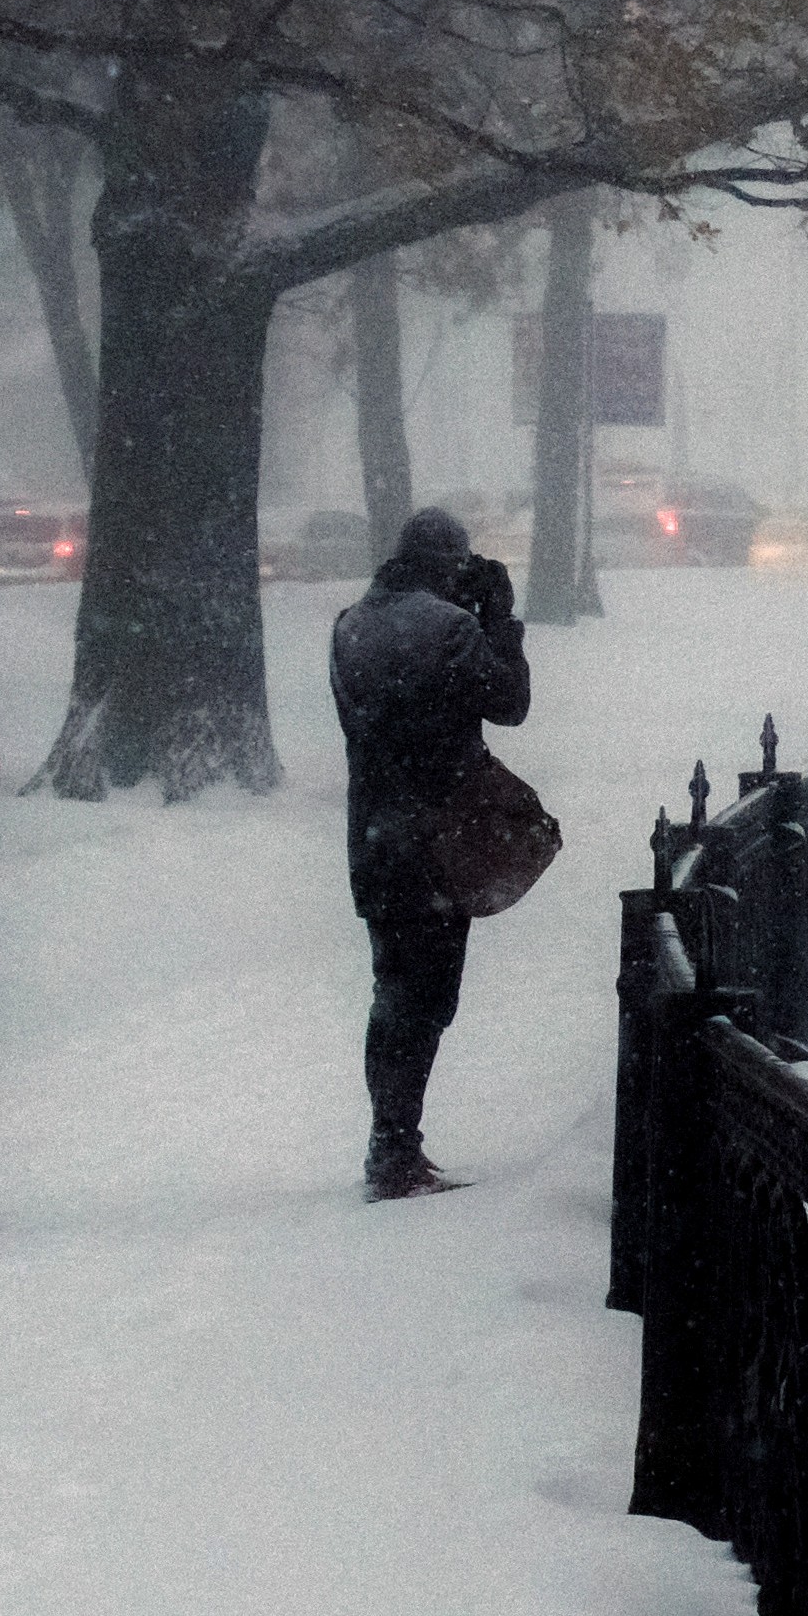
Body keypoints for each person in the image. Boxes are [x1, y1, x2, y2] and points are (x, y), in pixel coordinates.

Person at [331, 506, 530, 1200]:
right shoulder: (449, 628)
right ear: (449, 563)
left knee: (392, 991)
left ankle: (389, 1145)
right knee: (425, 999)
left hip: (376, 839)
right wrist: (499, 618)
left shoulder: (349, 625)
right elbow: (510, 701)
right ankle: (396, 1154)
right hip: (440, 841)